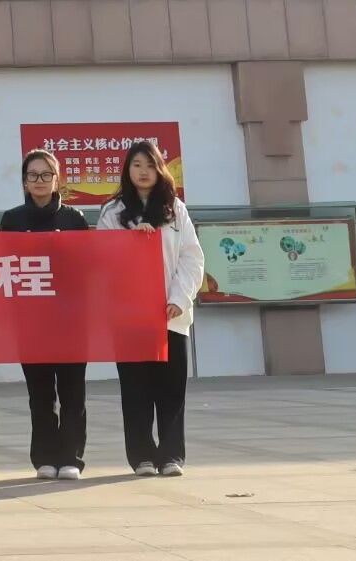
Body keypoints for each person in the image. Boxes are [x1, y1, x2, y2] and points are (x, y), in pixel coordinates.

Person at [97, 140, 204, 478]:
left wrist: (179, 298)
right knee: (135, 388)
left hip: (170, 315)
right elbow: (102, 258)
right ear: (127, 171)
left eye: (149, 165)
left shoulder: (175, 209)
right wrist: (131, 242)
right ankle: (141, 455)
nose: (143, 172)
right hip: (130, 317)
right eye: (136, 165)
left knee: (171, 389)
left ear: (160, 170)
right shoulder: (112, 212)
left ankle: (172, 455)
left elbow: (191, 257)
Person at [0, 148, 91, 481]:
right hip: (31, 321)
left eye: (46, 175)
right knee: (40, 394)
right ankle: (45, 457)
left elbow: (88, 267)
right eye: (33, 175)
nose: (39, 181)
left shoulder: (74, 219)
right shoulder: (12, 220)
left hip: (70, 320)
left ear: (57, 180)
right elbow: (3, 266)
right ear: (24, 181)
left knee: (72, 392)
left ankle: (71, 457)